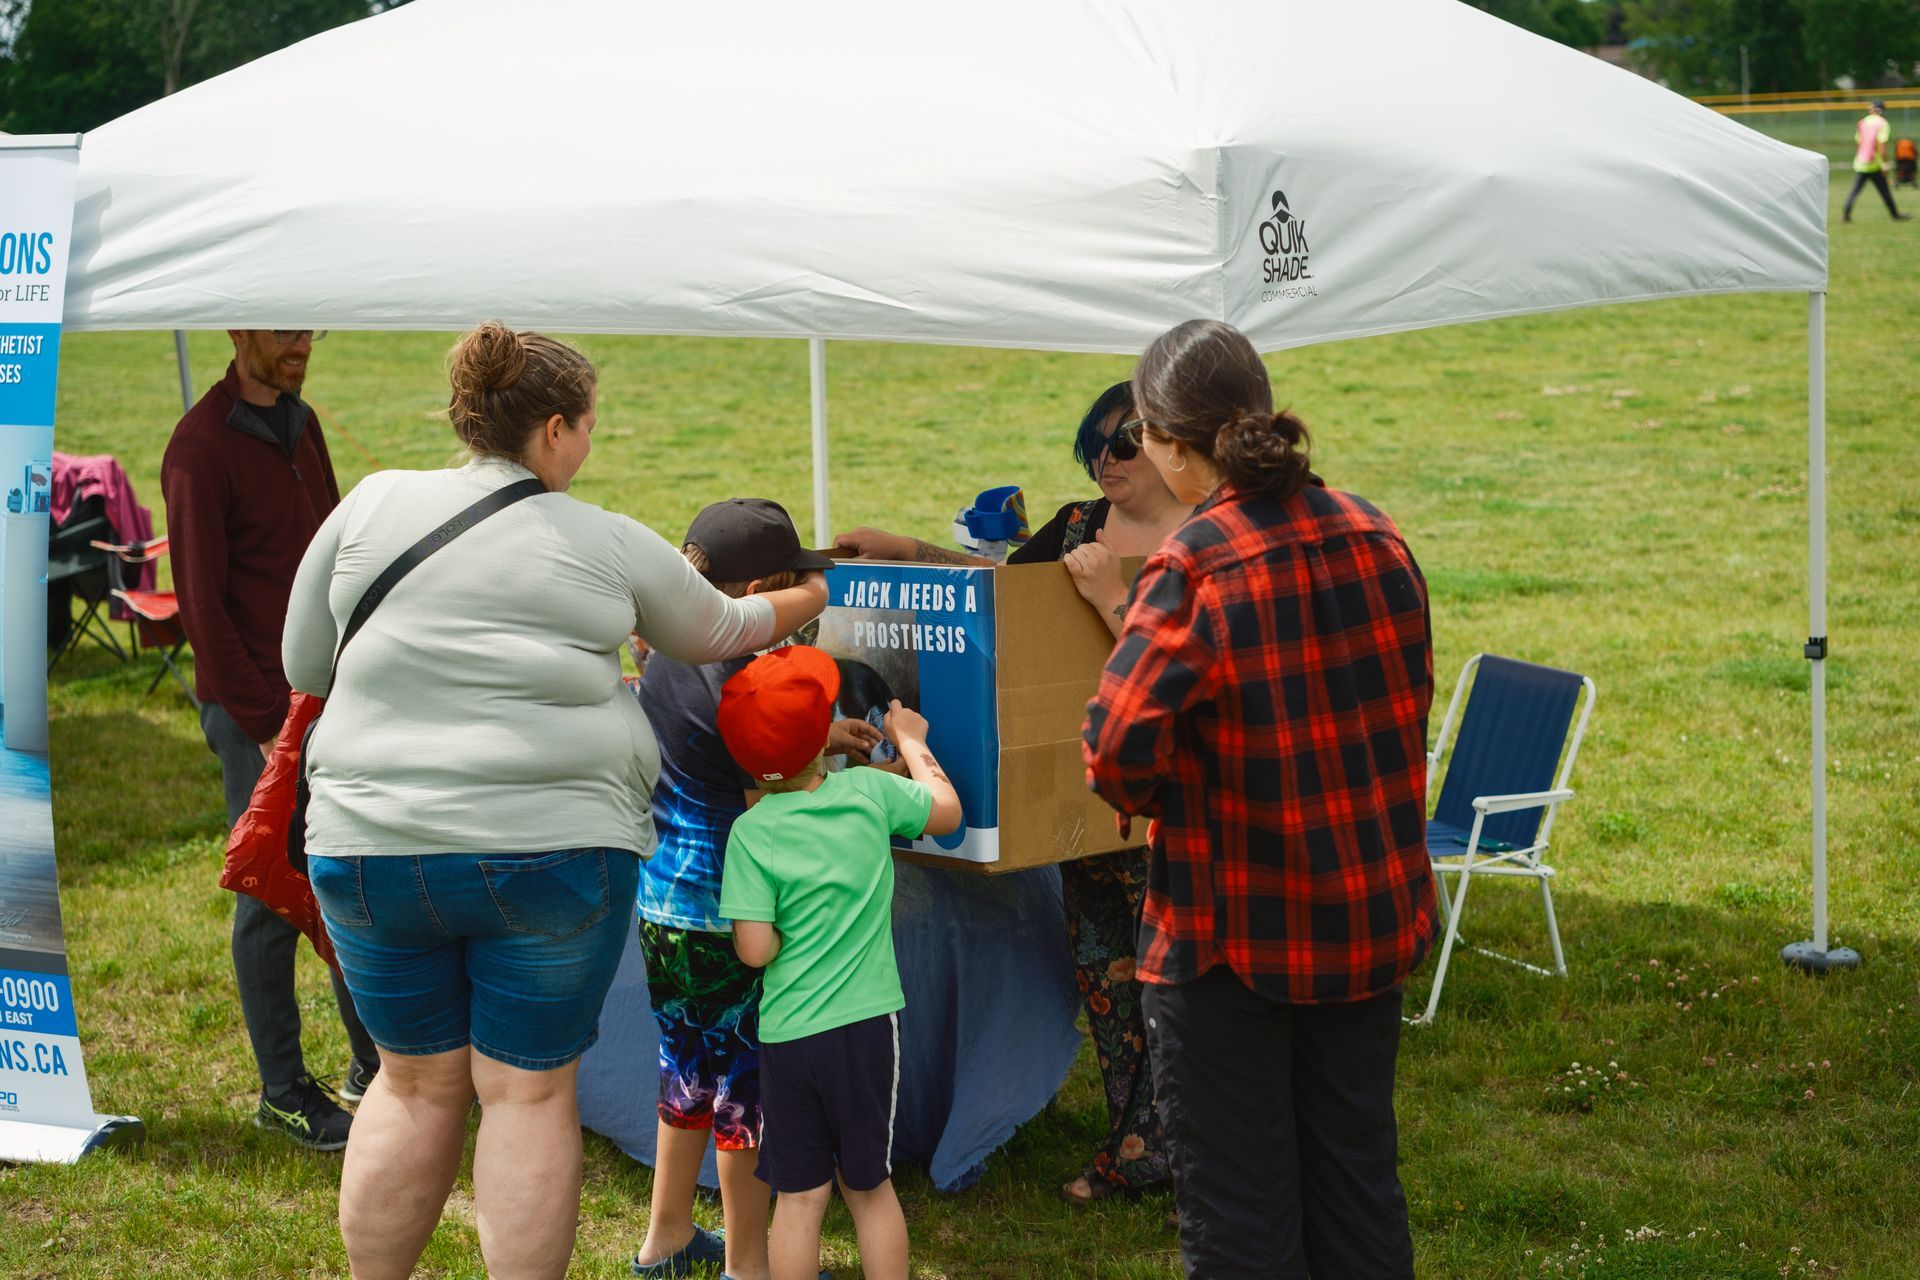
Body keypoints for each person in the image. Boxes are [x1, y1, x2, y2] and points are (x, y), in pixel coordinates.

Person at [287, 323, 828, 1280]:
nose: (589, 446)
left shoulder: (371, 504)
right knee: (526, 1097)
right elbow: (722, 626)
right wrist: (810, 592)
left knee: (410, 1085)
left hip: (369, 846)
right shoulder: (604, 537)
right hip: (551, 852)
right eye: (586, 427)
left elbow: (303, 663)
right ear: (551, 430)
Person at [1083, 319, 1435, 1279]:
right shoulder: (1376, 530)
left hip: (1230, 936)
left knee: (1242, 1214)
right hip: (1368, 911)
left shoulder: (1195, 564)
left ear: (1169, 444)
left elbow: (1113, 746)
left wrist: (1160, 791)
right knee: (1358, 1183)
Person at [834, 382, 1190, 1204]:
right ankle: (1133, 1140)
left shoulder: (1204, 542)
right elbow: (998, 593)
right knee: (1105, 970)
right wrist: (910, 549)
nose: (1106, 463)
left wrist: (1110, 597)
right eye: (1092, 448)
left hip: (1174, 796)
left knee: (1174, 979)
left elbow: (1185, 665)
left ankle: (1172, 1143)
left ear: (1171, 444)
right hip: (1080, 790)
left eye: (1124, 444)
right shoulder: (1076, 525)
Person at [628, 498, 883, 1280]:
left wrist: (819, 733)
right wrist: (839, 774)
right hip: (723, 914)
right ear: (765, 589)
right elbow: (761, 796)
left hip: (661, 907)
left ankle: (665, 1238)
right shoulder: (740, 678)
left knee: (686, 1073)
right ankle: (749, 1265)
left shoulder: (670, 652)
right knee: (744, 1094)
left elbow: (730, 755)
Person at [161, 327, 380, 1150]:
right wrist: (263, 728)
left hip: (324, 693)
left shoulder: (303, 419)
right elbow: (202, 611)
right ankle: (284, 1091)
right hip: (255, 713)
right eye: (285, 331)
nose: (301, 345)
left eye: (310, 330)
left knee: (344, 871)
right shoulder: (197, 450)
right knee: (269, 890)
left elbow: (331, 551)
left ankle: (372, 1063)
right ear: (238, 329)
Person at [716, 647, 962, 1280]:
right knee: (869, 1190)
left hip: (788, 1036)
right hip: (864, 1030)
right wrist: (911, 741)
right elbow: (946, 813)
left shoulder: (750, 832)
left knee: (799, 1198)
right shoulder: (870, 793)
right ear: (818, 740)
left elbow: (754, 950)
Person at [1843, 100, 1912, 223]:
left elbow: (1858, 143)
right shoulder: (1882, 123)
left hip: (1861, 163)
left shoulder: (1862, 122)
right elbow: (1881, 145)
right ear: (1881, 110)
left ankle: (1845, 214)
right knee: (1884, 191)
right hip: (1875, 164)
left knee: (1855, 190)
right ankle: (1895, 215)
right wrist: (1884, 164)